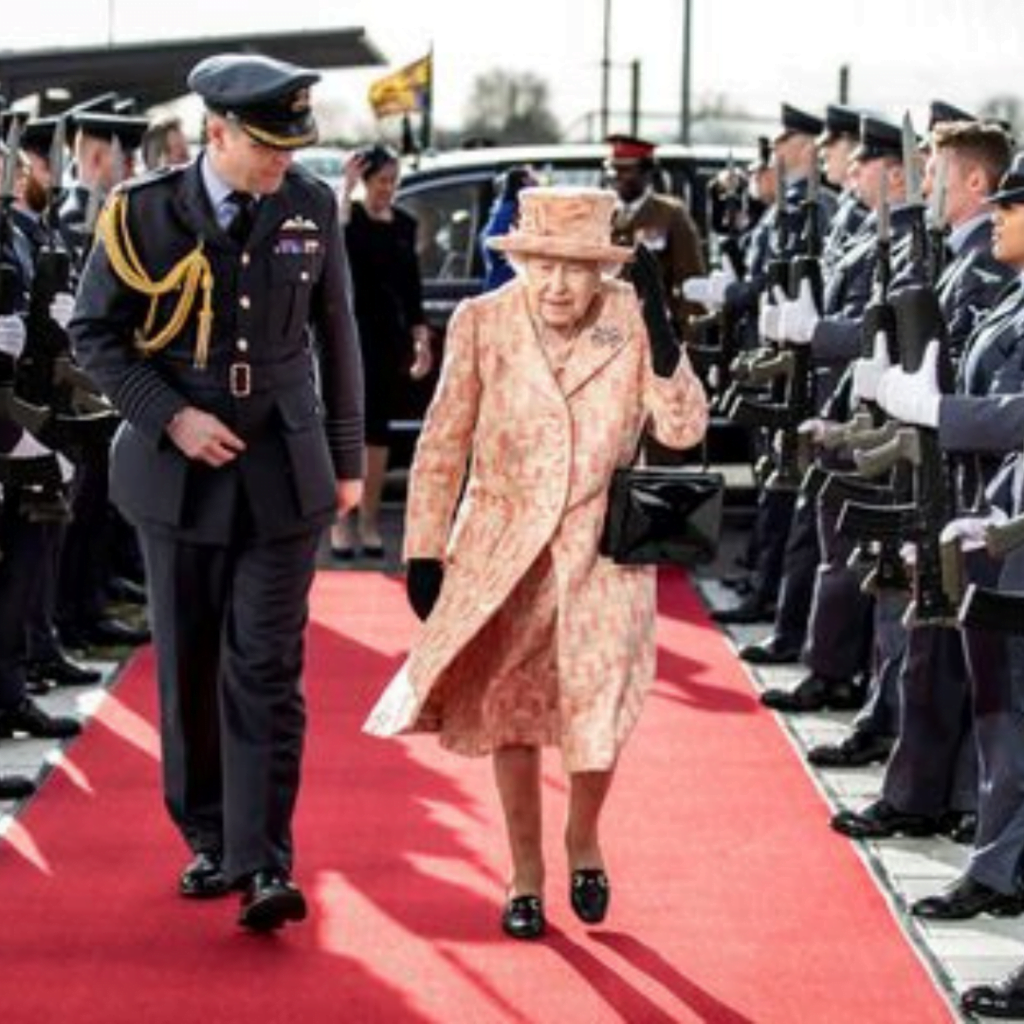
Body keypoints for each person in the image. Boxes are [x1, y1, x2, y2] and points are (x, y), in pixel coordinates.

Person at [69, 52, 365, 932]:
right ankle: (207, 837)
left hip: (283, 473)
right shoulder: (143, 213)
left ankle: (266, 858)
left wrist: (347, 457)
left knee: (266, 666)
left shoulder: (311, 206)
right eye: (267, 146)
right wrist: (171, 418)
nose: (283, 162)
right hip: (179, 476)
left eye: (291, 145)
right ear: (218, 132)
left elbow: (335, 333)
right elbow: (96, 335)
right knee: (192, 668)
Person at [363, 186, 708, 939]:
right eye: (542, 265)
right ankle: (524, 874)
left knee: (598, 708)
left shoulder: (627, 318)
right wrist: (423, 548)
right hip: (503, 548)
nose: (557, 284)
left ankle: (583, 836)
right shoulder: (482, 321)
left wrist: (661, 326)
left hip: (601, 548)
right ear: (518, 259)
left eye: (577, 268)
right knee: (512, 714)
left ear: (604, 271)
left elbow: (682, 430)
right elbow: (444, 442)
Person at [331, 143, 430, 560]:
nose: (388, 189)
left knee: (378, 434)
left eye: (393, 181)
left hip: (389, 341)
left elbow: (413, 290)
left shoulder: (405, 225)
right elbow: (331, 249)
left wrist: (421, 341)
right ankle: (340, 523)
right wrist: (345, 187)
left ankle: (369, 521)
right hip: (351, 339)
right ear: (366, 181)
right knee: (346, 431)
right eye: (381, 181)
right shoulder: (350, 223)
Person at [605, 134, 704, 337]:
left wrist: (685, 335)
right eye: (612, 168)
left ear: (646, 172)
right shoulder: (601, 213)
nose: (616, 175)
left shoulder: (670, 214)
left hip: (656, 329)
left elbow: (690, 278)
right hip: (607, 328)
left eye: (625, 169)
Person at [479, 165, 537, 291]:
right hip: (505, 283)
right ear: (524, 181)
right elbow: (493, 243)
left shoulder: (507, 208)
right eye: (531, 179)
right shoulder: (508, 211)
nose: (536, 182)